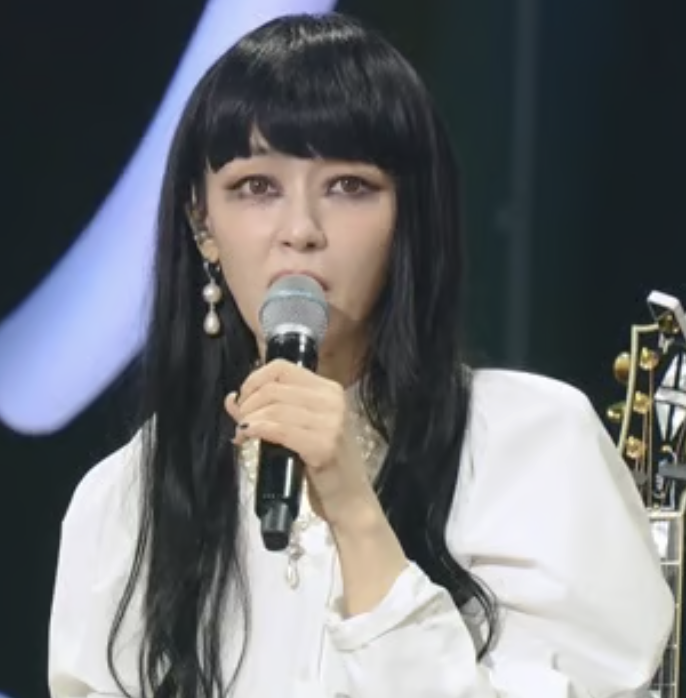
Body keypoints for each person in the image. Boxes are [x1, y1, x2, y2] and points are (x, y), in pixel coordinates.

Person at [48, 12, 672, 698]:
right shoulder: (125, 499)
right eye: (256, 187)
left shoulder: (532, 447)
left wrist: (352, 506)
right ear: (203, 224)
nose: (300, 230)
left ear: (408, 215)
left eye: (348, 186)